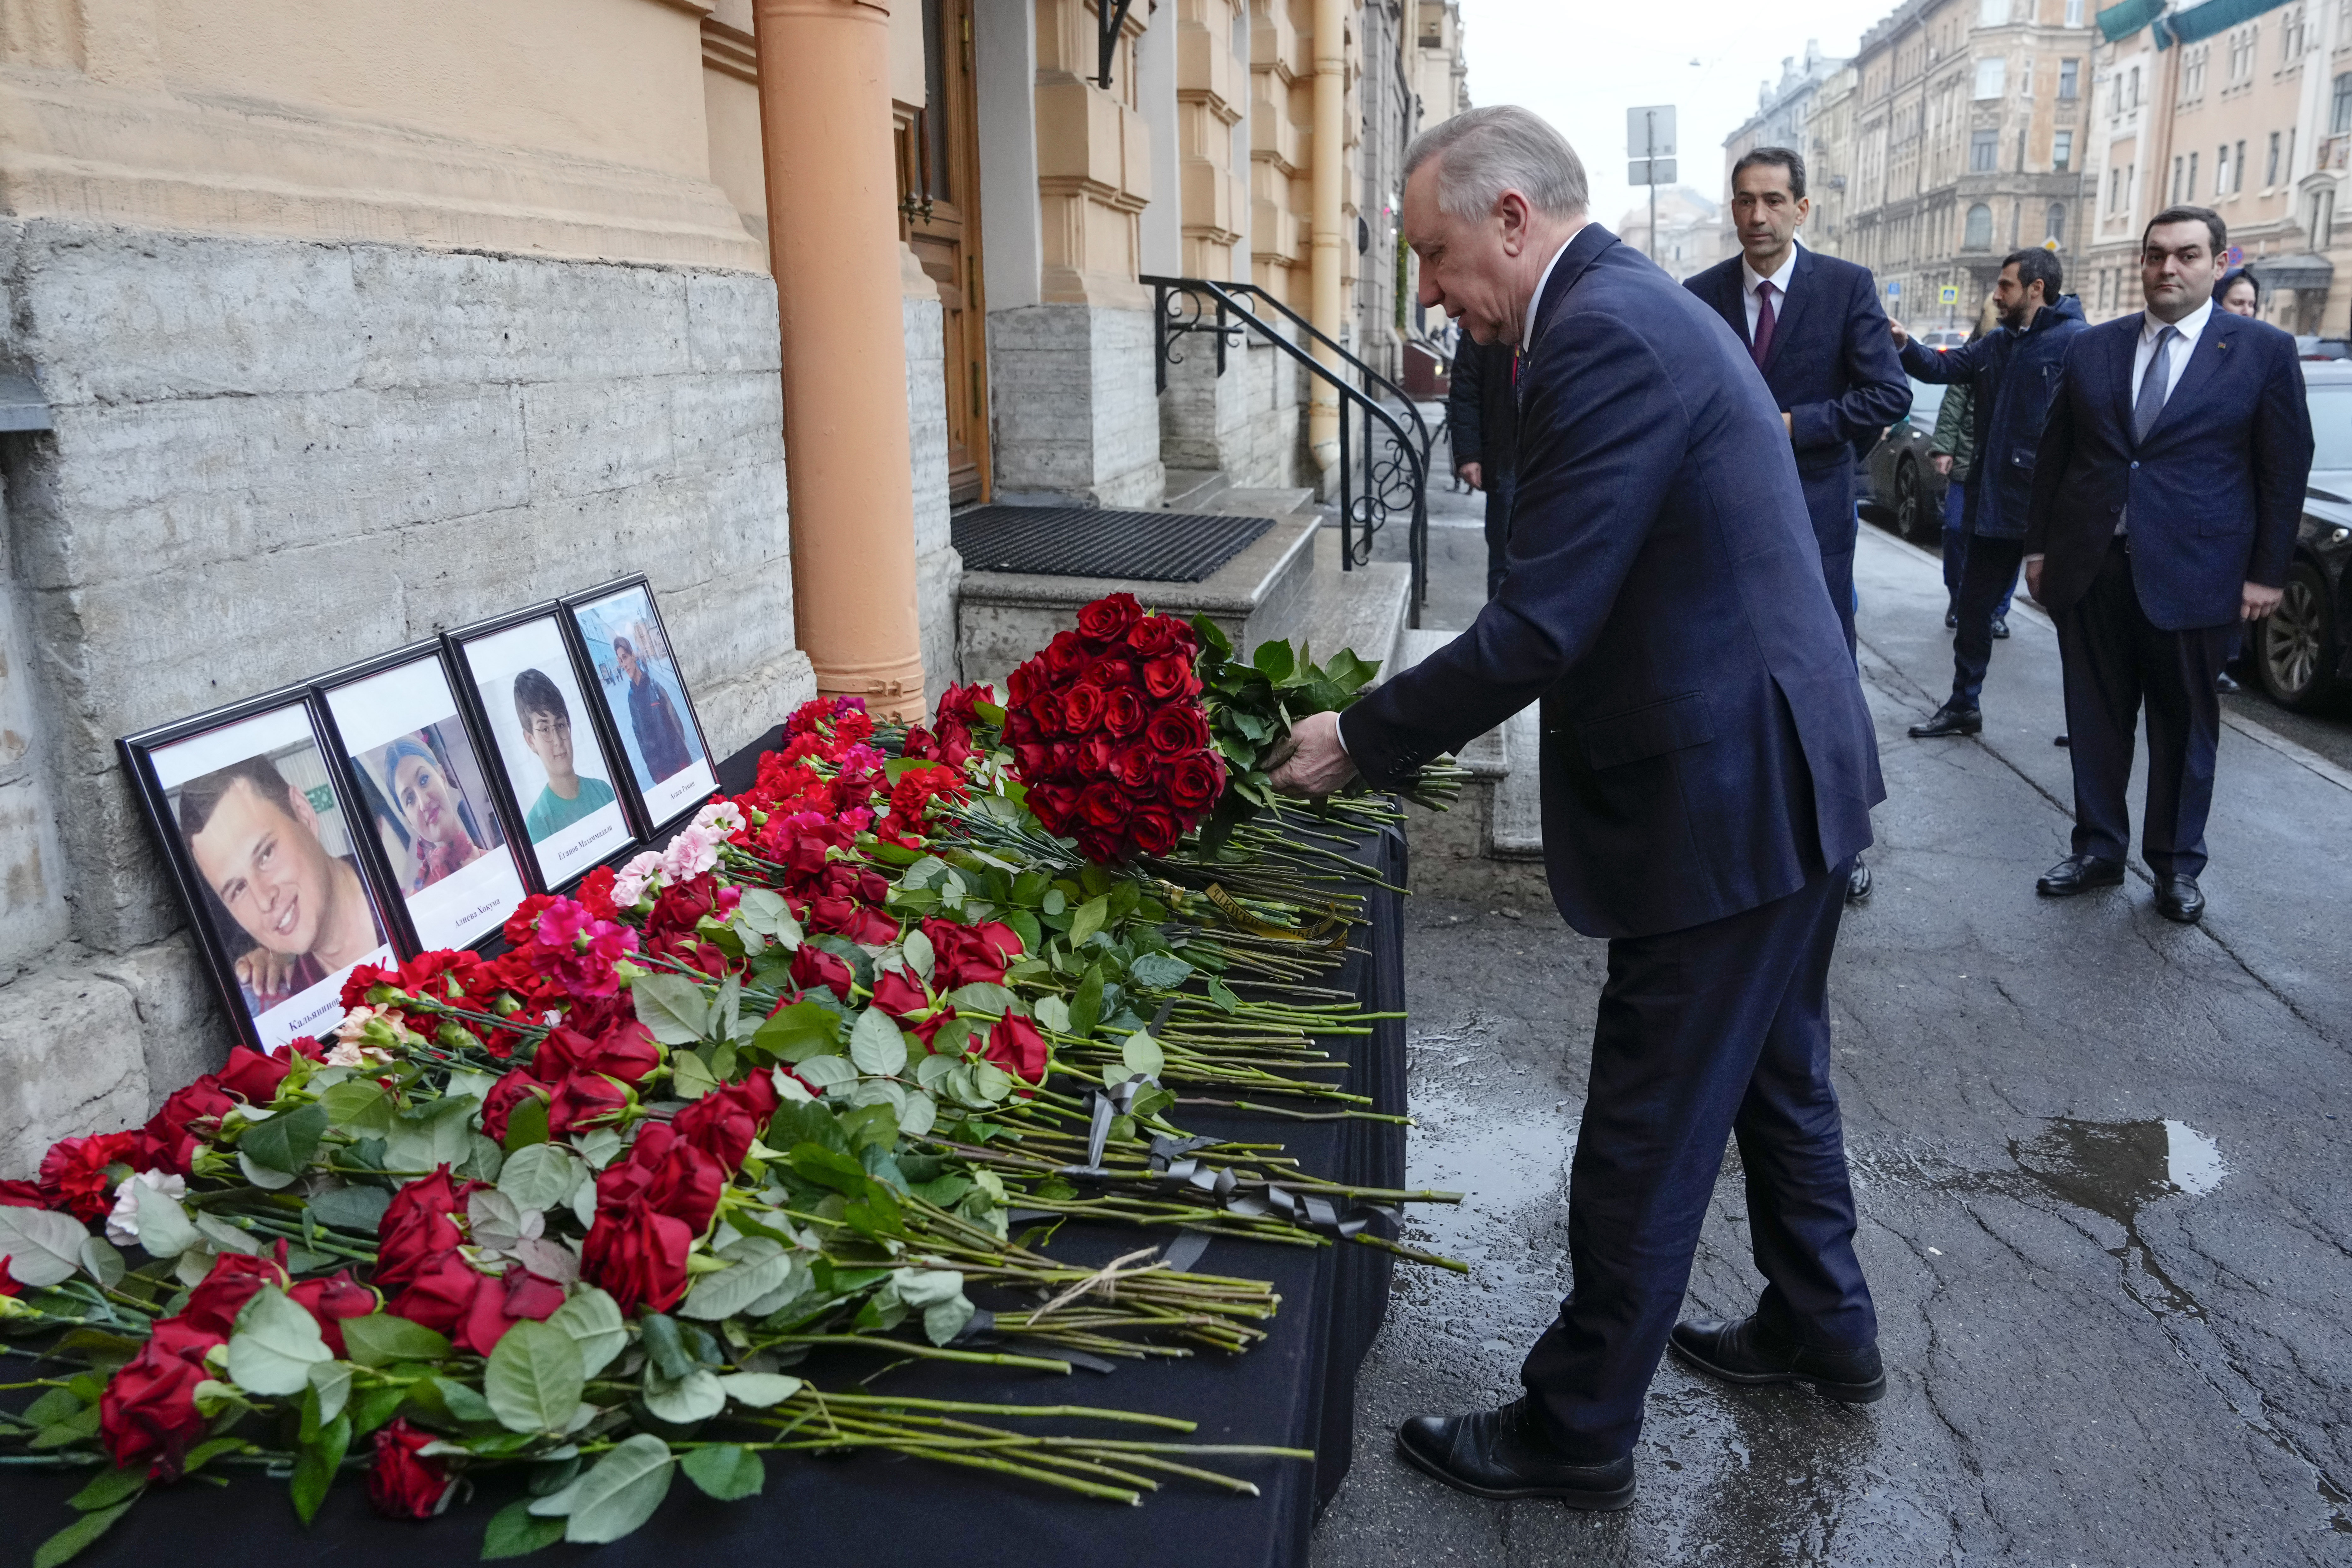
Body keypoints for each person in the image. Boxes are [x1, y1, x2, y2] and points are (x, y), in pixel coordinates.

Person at [1270, 106, 1886, 1510]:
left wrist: (1360, 737)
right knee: (1778, 1074)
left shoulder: (1604, 332)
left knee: (1646, 1122)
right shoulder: (1614, 310)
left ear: (1509, 217)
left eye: (1435, 250)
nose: (1429, 285)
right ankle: (1823, 1322)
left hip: (1725, 794)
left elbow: (1540, 625)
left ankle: (1578, 1425)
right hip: (1773, 772)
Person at [2022, 206, 2312, 923]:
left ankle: (2175, 866)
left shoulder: (2259, 352)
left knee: (2182, 728)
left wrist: (2265, 573)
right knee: (2094, 719)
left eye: (2185, 255)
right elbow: (2054, 457)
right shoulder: (2093, 349)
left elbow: (2282, 470)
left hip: (2196, 576)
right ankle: (2095, 848)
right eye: (2155, 255)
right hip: (2093, 569)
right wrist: (2037, 548)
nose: (2166, 269)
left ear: (2217, 264)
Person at [1686, 146, 1908, 905]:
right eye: (1744, 201)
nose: (1757, 216)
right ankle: (1739, 833)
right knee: (1728, 674)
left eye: (1773, 201)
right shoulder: (1699, 295)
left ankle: (1840, 847)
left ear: (1801, 209)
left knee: (1824, 679)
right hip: (1717, 522)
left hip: (1813, 520)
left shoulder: (1844, 288)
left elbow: (1886, 395)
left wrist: (1792, 424)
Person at [1893, 249, 2086, 740]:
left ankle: (2090, 722)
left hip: (2051, 509)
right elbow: (1943, 368)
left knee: (2072, 620)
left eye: (2005, 286)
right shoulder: (1998, 343)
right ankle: (1963, 705)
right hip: (1995, 501)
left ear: (2036, 289)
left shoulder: (2077, 344)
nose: (1997, 295)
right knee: (1975, 609)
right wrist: (1903, 344)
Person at [178, 754, 386, 1014]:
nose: (264, 900)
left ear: (303, 813)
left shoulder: (412, 887)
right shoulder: (282, 1006)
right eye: (238, 889)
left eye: (266, 854)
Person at [1929, 302, 2015, 638]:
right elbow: (1953, 403)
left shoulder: (2029, 350)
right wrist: (1944, 448)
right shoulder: (1977, 352)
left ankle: (1997, 611)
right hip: (1967, 461)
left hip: (2007, 470)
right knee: (1954, 531)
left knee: (2006, 539)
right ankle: (1958, 598)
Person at [2210, 267, 2262, 694]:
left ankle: (2223, 660)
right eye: (2237, 302)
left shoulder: (2267, 355)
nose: (2245, 311)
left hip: (2237, 503)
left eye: (2251, 304)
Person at [1445, 333, 1519, 598]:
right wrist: (1468, 454)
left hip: (1549, 460)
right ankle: (1501, 636)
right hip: (1505, 458)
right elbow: (1465, 385)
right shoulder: (1485, 316)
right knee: (1503, 561)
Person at [513, 668, 618, 840]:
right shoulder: (537, 824)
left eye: (561, 725)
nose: (557, 741)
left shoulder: (603, 791)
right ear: (531, 741)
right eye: (545, 729)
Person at [379, 736, 487, 892]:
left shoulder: (502, 861)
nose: (424, 803)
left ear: (443, 777)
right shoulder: (422, 902)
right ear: (408, 820)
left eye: (424, 780)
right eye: (410, 799)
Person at [616, 636, 694, 783]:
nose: (624, 664)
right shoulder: (631, 698)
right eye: (620, 661)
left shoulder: (655, 687)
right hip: (660, 771)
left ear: (633, 656)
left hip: (677, 760)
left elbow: (675, 719)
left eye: (625, 658)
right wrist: (653, 770)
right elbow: (639, 735)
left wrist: (684, 750)